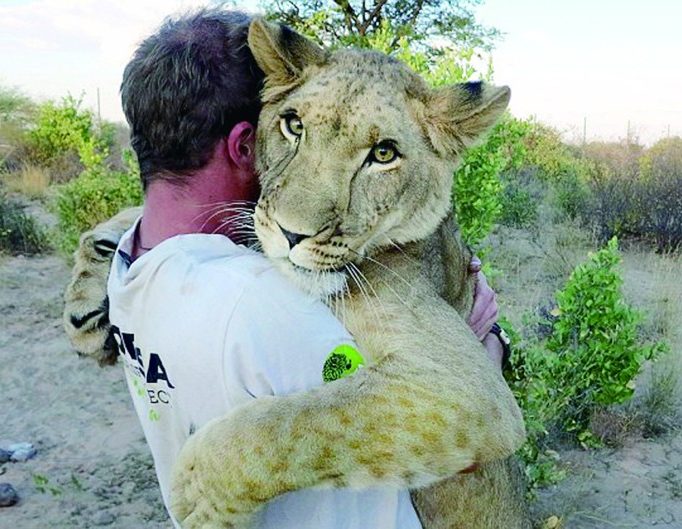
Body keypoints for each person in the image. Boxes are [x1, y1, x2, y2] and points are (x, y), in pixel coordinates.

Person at [108, 8, 505, 528]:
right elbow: (466, 412)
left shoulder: (130, 259)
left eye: (381, 153)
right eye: (294, 125)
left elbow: (470, 414)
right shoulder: (263, 307)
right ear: (246, 142)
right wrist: (489, 344)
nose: (300, 220)